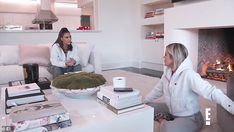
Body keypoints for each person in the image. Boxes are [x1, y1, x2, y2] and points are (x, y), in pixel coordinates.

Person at [143, 43, 234, 132]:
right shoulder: (167, 73)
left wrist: (232, 107)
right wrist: (143, 101)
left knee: (167, 129)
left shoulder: (189, 75)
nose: (163, 57)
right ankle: (170, 118)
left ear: (174, 57)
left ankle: (162, 120)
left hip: (191, 118)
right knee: (146, 107)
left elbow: (211, 92)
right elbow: (157, 91)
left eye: (166, 55)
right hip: (172, 110)